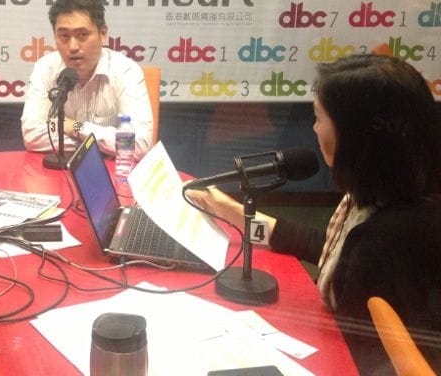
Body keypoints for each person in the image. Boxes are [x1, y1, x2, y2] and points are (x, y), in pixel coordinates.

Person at [188, 54, 441, 373]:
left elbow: (360, 359)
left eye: (319, 117)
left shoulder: (385, 242)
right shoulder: (389, 199)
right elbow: (328, 247)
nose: (314, 129)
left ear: (354, 135)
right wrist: (235, 213)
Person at [21, 0, 153, 158]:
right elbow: (32, 135)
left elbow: (139, 143)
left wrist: (76, 127)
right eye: (64, 36)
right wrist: (98, 143)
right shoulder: (45, 68)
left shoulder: (126, 71)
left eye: (82, 35)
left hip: (112, 171)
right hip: (62, 169)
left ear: (102, 34)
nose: (73, 46)